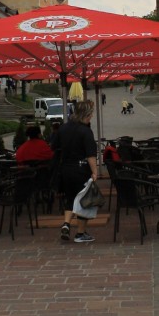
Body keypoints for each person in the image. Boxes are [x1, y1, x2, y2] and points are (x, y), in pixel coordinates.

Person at [52, 100, 98, 243]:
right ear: (86, 114)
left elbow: (55, 147)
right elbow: (91, 155)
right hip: (81, 169)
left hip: (65, 169)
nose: (91, 117)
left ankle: (66, 224)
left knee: (70, 197)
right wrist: (95, 172)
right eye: (90, 114)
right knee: (85, 200)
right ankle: (80, 233)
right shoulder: (85, 131)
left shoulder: (63, 128)